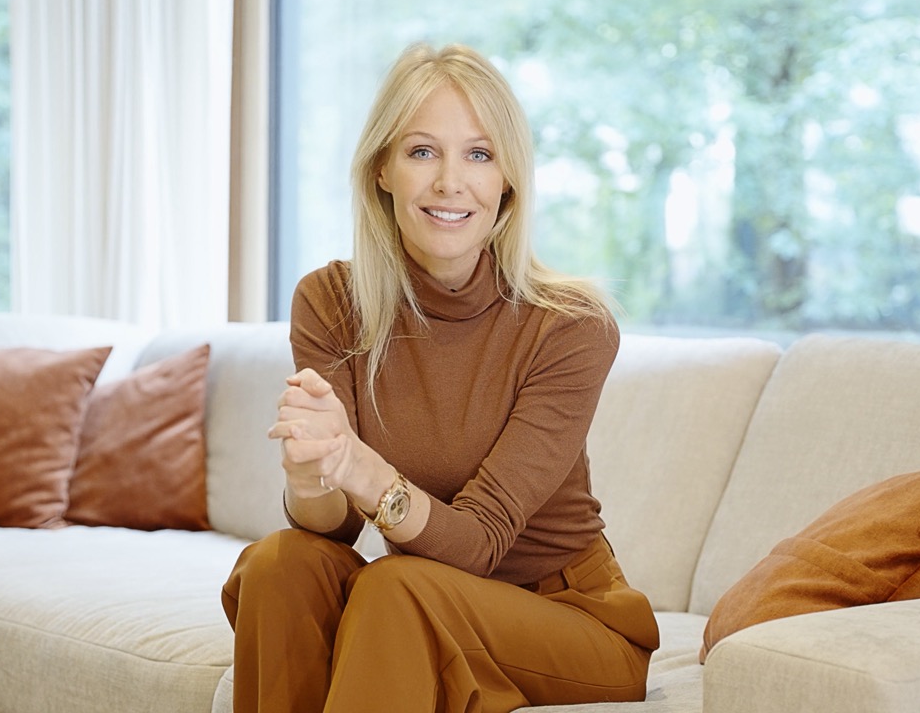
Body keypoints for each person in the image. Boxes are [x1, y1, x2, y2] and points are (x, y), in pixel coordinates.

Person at [222, 43, 658, 712]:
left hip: (567, 618)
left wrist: (358, 465)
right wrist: (312, 476)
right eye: (423, 151)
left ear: (507, 180)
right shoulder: (331, 302)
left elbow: (480, 542)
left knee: (397, 588)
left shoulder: (569, 326)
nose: (451, 182)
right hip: (420, 596)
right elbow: (332, 533)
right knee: (281, 564)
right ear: (383, 169)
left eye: (478, 155)